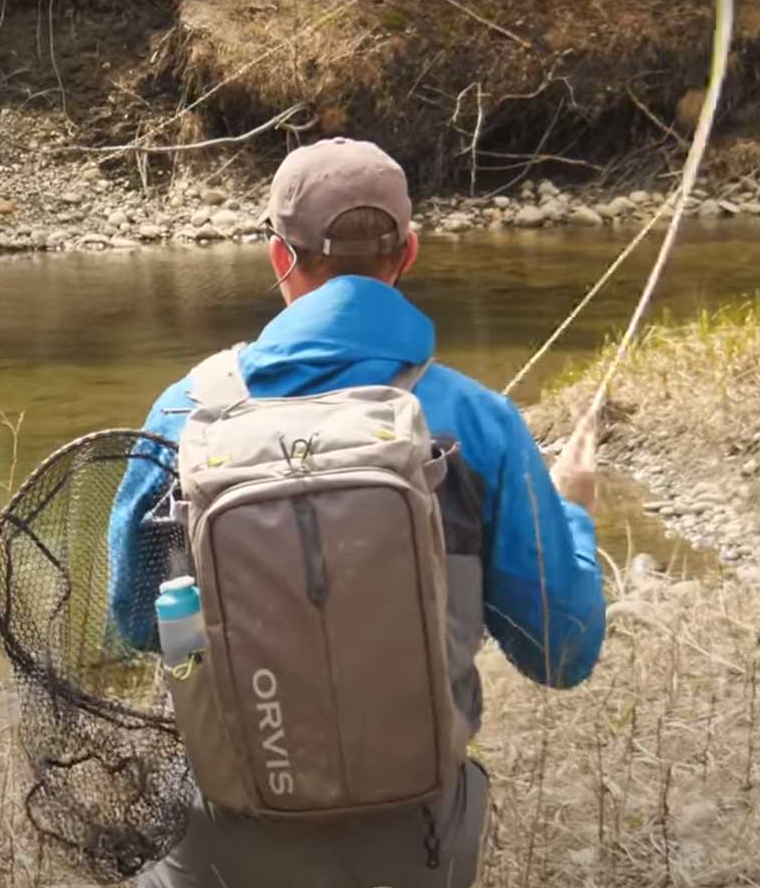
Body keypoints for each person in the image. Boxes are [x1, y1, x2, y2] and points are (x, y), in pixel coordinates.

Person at [106, 137, 607, 888]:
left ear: (278, 257)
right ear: (406, 254)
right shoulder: (478, 420)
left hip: (220, 839)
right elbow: (561, 653)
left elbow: (135, 623)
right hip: (416, 844)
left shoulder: (184, 411)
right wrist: (571, 511)